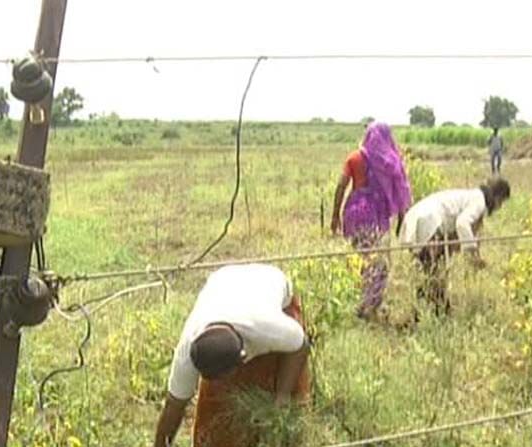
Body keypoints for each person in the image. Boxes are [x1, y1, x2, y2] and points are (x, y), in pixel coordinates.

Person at [154, 264, 310, 447]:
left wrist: (282, 397)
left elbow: (300, 346)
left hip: (267, 283)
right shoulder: (189, 351)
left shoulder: (272, 328)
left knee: (282, 417)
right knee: (216, 425)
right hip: (224, 282)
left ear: (243, 357)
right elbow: (174, 405)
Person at [330, 122, 412, 319]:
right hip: (376, 216)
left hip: (354, 214)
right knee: (379, 262)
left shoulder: (354, 158)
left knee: (360, 259)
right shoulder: (390, 163)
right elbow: (401, 194)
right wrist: (401, 221)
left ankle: (361, 302)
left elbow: (341, 186)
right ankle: (369, 305)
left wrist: (334, 216)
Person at [398, 177, 511, 317]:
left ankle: (429, 312)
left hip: (423, 216)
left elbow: (456, 232)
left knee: (430, 271)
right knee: (434, 272)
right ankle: (437, 313)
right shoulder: (479, 201)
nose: (499, 207)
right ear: (497, 197)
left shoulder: (472, 196)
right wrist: (472, 253)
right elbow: (462, 224)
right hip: (428, 220)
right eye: (501, 202)